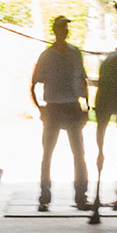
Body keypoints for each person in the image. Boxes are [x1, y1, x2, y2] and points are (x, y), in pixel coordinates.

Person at [31, 15, 90, 210]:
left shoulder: (75, 53)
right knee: (48, 154)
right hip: (54, 108)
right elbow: (34, 84)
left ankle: (81, 196)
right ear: (55, 31)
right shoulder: (46, 56)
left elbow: (83, 80)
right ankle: (44, 196)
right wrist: (41, 108)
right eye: (61, 28)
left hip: (71, 107)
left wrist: (86, 106)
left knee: (78, 154)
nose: (64, 32)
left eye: (66, 29)